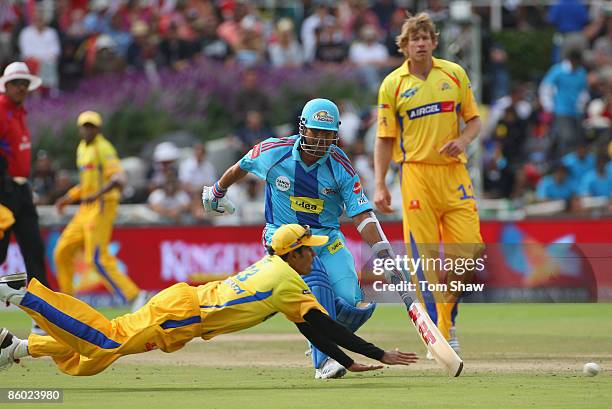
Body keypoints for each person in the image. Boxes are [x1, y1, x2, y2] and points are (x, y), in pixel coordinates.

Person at [0, 224, 418, 376]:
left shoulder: (277, 270)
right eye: (311, 249)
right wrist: (379, 353)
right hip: (185, 315)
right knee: (104, 340)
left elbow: (310, 327)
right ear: (293, 254)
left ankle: (18, 347)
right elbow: (324, 326)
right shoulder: (288, 280)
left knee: (88, 360)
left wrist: (346, 361)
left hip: (183, 305)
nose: (316, 254)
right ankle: (25, 292)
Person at [202, 98, 398, 379]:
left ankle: (320, 337)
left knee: (352, 307)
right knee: (316, 283)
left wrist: (383, 253)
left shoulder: (341, 166)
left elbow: (362, 216)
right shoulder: (274, 151)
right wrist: (217, 192)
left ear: (335, 135)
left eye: (326, 134)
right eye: (314, 132)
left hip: (326, 238)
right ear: (302, 128)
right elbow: (241, 166)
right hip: (283, 236)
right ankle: (324, 361)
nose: (319, 140)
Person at [373, 13, 484, 355]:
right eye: (413, 39)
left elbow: (474, 121)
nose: (420, 43)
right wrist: (380, 183)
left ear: (434, 42)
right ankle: (440, 333)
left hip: (454, 174)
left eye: (425, 37)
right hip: (416, 174)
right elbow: (384, 138)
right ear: (404, 46)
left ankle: (446, 318)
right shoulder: (393, 84)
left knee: (469, 252)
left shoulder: (454, 73)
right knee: (424, 262)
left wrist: (463, 142)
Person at [53, 111, 148, 311]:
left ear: (98, 128)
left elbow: (119, 178)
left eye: (92, 126)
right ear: (80, 129)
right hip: (85, 209)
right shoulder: (81, 148)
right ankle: (68, 304)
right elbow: (85, 184)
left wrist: (98, 195)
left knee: (96, 258)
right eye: (85, 126)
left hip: (102, 206)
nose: (88, 130)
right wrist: (68, 198)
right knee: (62, 251)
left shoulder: (103, 148)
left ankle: (135, 296)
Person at [0, 62, 50, 334]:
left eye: (24, 83)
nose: (21, 87)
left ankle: (42, 319)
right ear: (5, 85)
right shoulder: (0, 108)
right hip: (3, 191)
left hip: (21, 191)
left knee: (34, 252)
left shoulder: (19, 113)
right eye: (16, 83)